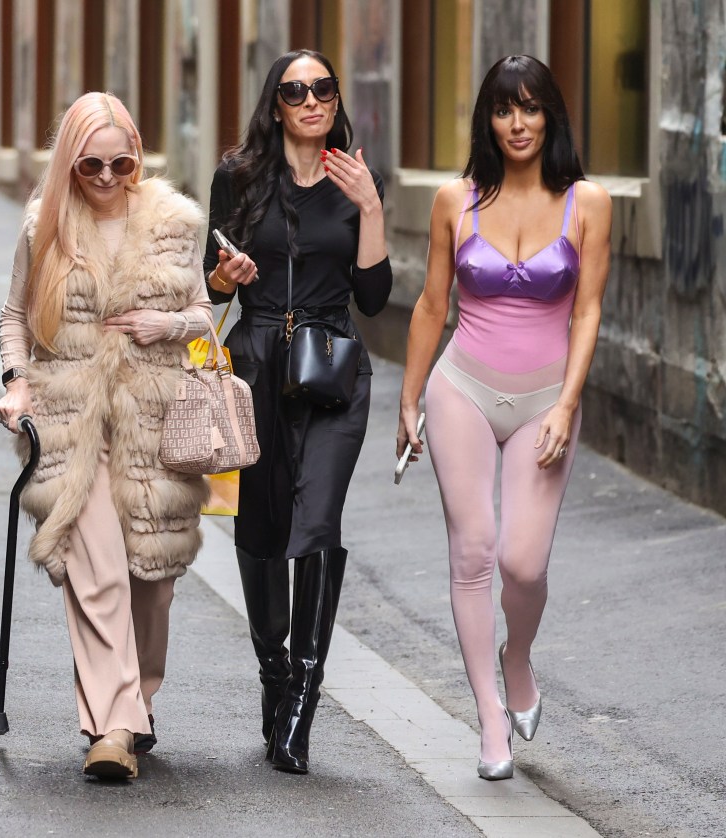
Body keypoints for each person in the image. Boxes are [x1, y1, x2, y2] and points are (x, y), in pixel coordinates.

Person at [396, 55, 612, 781]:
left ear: (551, 115)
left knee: (525, 561)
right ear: (486, 122)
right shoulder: (455, 200)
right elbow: (432, 305)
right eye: (502, 110)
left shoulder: (590, 202)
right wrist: (408, 398)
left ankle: (516, 657)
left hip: (545, 400)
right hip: (461, 387)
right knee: (473, 552)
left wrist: (567, 404)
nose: (517, 124)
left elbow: (587, 311)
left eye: (530, 108)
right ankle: (489, 718)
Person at [0, 91, 211, 781]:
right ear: (71, 162)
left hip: (154, 426)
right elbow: (13, 319)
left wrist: (166, 325)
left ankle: (138, 700)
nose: (110, 176)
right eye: (93, 164)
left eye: (123, 162)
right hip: (69, 425)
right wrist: (16, 382)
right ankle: (111, 727)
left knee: (154, 585)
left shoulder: (176, 223)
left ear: (138, 155)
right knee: (97, 574)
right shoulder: (45, 228)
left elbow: (205, 312)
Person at [203, 49, 392, 774]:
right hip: (256, 366)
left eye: (322, 89)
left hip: (333, 368)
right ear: (275, 103)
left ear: (335, 100)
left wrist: (371, 205)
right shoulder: (239, 177)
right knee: (260, 528)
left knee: (316, 523)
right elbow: (210, 287)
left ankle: (303, 704)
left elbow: (373, 299)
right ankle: (273, 675)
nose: (311, 100)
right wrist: (226, 275)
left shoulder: (356, 181)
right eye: (295, 90)